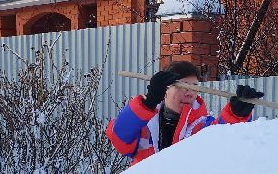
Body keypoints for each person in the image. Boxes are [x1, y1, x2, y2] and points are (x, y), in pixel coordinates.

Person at [106, 61, 261, 165]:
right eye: (182, 86)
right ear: (165, 90)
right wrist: (148, 103)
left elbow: (227, 146)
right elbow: (119, 138)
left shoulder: (204, 127)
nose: (189, 92)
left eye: (195, 86)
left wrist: (237, 115)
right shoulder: (144, 126)